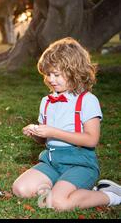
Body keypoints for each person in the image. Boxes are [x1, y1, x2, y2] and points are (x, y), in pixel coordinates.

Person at [12, 37, 120, 210]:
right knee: (21, 189)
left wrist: (53, 131)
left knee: (57, 203)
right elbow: (46, 140)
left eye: (56, 74)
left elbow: (91, 140)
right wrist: (36, 134)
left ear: (74, 72)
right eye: (48, 74)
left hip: (80, 164)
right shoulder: (46, 101)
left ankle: (109, 195)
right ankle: (68, 188)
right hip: (52, 161)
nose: (51, 79)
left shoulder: (87, 100)